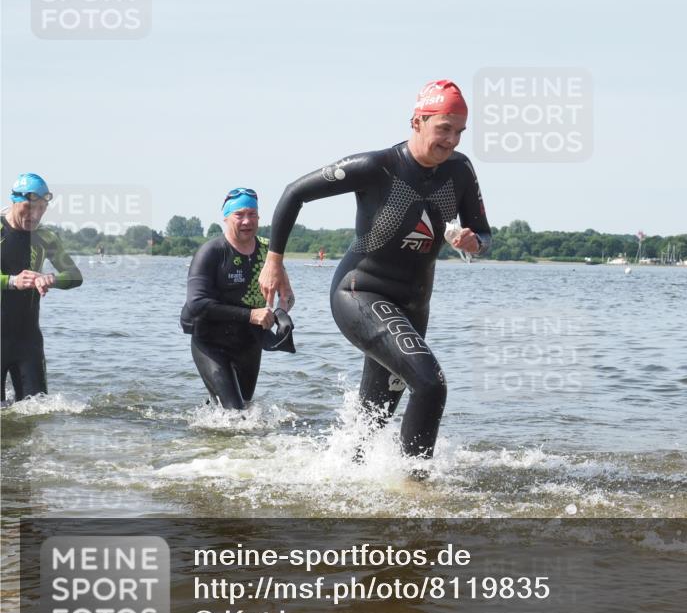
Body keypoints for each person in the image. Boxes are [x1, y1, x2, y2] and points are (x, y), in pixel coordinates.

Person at [258, 79, 491, 460]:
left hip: (413, 306)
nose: (452, 140)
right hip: (360, 292)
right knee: (431, 385)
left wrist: (473, 242)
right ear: (417, 121)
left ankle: (342, 477)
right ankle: (416, 489)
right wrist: (274, 260)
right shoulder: (377, 167)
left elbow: (484, 233)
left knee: (373, 422)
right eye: (443, 129)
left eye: (460, 131)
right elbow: (293, 192)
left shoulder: (460, 172)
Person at [181, 188, 288, 410]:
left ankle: (205, 429)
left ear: (259, 217)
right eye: (239, 215)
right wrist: (251, 315)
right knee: (234, 413)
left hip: (249, 342)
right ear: (226, 218)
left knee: (244, 408)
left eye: (252, 214)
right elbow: (196, 304)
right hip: (210, 341)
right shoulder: (211, 252)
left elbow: (285, 295)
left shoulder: (269, 252)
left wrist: (281, 313)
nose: (247, 221)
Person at [1, 173, 83, 402]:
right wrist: (11, 281)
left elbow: (76, 276)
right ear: (14, 200)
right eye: (28, 207)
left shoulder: (46, 237)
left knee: (36, 412)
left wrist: (52, 279)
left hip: (28, 341)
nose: (34, 215)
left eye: (41, 208)